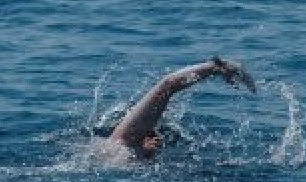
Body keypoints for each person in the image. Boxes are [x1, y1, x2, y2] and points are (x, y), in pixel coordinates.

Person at [109, 57, 257, 158]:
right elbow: (168, 84)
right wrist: (217, 67)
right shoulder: (122, 141)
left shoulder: (119, 149)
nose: (155, 138)